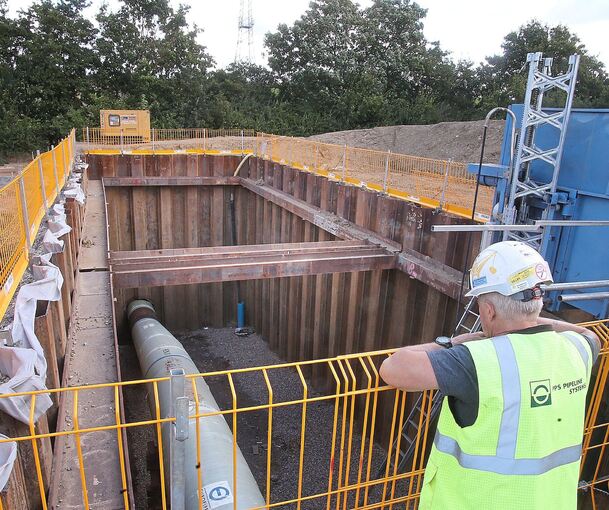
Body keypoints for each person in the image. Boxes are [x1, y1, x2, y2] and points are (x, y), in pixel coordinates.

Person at [379, 241, 601, 510]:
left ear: (489, 311)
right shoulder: (578, 349)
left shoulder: (476, 360)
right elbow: (587, 334)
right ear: (537, 301)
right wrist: (530, 315)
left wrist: (456, 341)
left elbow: (392, 369)